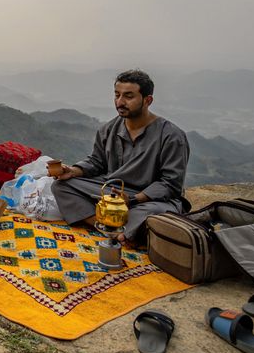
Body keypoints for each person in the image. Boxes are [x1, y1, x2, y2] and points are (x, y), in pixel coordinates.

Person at [51, 69, 190, 244]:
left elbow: (170, 183)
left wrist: (133, 199)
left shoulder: (171, 136)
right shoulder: (108, 129)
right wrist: (73, 171)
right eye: (117, 95)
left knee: (152, 213)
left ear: (147, 100)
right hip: (114, 193)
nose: (120, 102)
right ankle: (109, 228)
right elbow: (97, 161)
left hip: (149, 199)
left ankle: (122, 227)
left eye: (129, 96)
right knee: (61, 186)